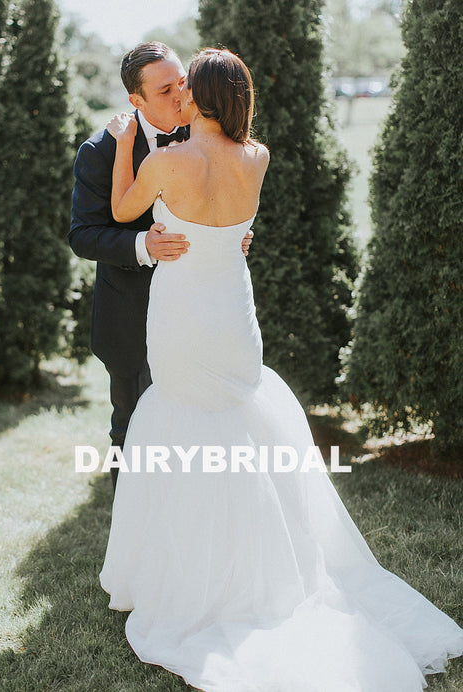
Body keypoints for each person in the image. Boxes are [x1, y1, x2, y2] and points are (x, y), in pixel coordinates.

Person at [98, 48, 463, 691]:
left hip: (183, 315)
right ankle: (264, 570)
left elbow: (125, 211)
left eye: (186, 87)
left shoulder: (165, 161)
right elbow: (231, 227)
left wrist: (127, 142)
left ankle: (194, 580)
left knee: (181, 421)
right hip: (233, 313)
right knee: (240, 421)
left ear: (199, 98)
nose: (179, 95)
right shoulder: (257, 157)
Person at [68, 42, 253, 491]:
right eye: (165, 90)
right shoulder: (100, 151)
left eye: (182, 83)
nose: (180, 96)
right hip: (130, 313)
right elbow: (83, 235)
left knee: (199, 422)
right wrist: (142, 244)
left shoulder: (208, 133)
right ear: (136, 100)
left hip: (201, 312)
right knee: (132, 425)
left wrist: (232, 235)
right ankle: (129, 515)